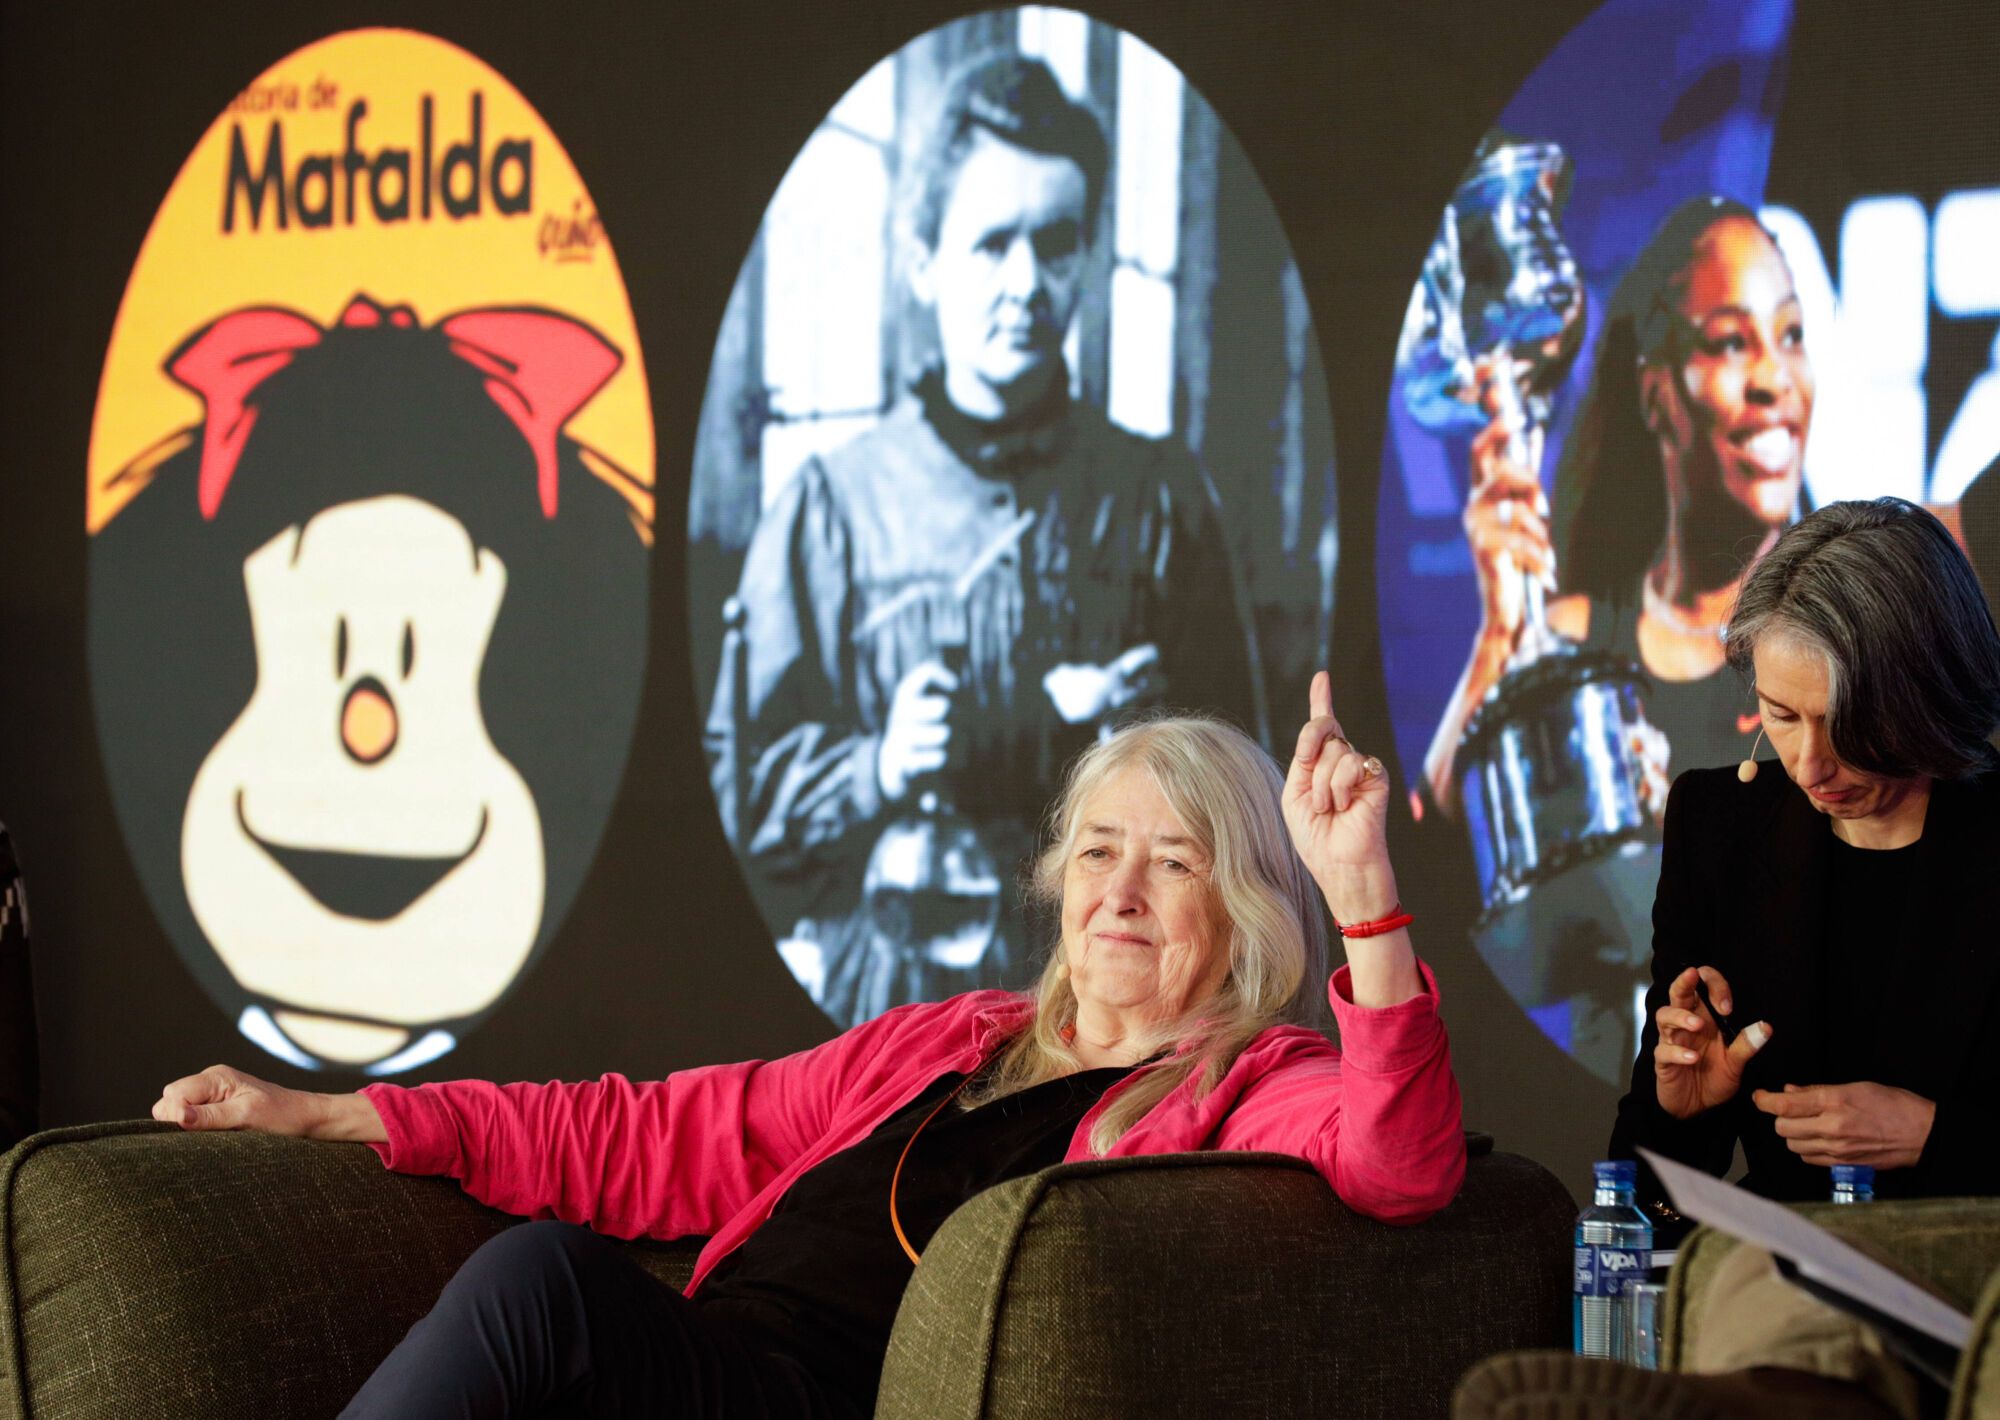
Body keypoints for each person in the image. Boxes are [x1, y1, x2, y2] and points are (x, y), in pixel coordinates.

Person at [154, 676, 1462, 1419]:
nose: (1119, 894)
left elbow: (1401, 1166)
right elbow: (657, 1133)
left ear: (1237, 908)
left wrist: (1363, 899)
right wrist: (346, 1118)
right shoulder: (954, 1044)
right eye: (1098, 853)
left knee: (543, 1287)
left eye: (1171, 862)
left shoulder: (1242, 1084)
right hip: (707, 1375)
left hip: (811, 1406)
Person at [707, 54, 1265, 1028]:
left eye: (1053, 243)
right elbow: (736, 800)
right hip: (881, 1017)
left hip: (1116, 1023)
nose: (1024, 283)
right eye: (988, 243)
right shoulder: (828, 510)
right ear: (922, 260)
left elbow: (1250, 799)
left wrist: (1151, 745)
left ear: (1087, 257)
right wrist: (879, 764)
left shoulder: (1158, 497)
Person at [1479, 498, 2000, 1420]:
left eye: (1846, 721)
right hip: (1789, 1260)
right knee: (1782, 1292)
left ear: (1927, 691)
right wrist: (1683, 1108)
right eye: (1780, 717)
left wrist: (1932, 1135)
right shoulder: (1723, 825)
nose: (1810, 763)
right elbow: (1647, 1181)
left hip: (1976, 1256)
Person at [1424, 195, 1816, 813]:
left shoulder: (1841, 635)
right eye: (1731, 342)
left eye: (1791, 334)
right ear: (1655, 393)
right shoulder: (1576, 639)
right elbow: (1442, 835)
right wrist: (1500, 637)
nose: (1775, 378)